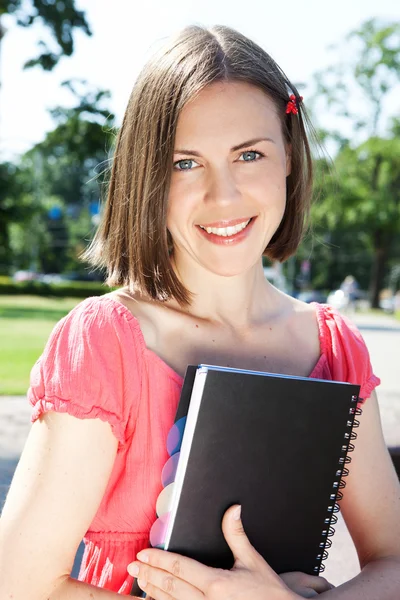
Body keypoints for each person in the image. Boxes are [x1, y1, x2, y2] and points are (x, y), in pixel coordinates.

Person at [1, 24, 399, 600]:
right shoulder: (109, 342)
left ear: (289, 154)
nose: (225, 195)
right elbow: (20, 587)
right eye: (186, 163)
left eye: (249, 154)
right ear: (148, 177)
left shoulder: (334, 348)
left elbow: (392, 560)